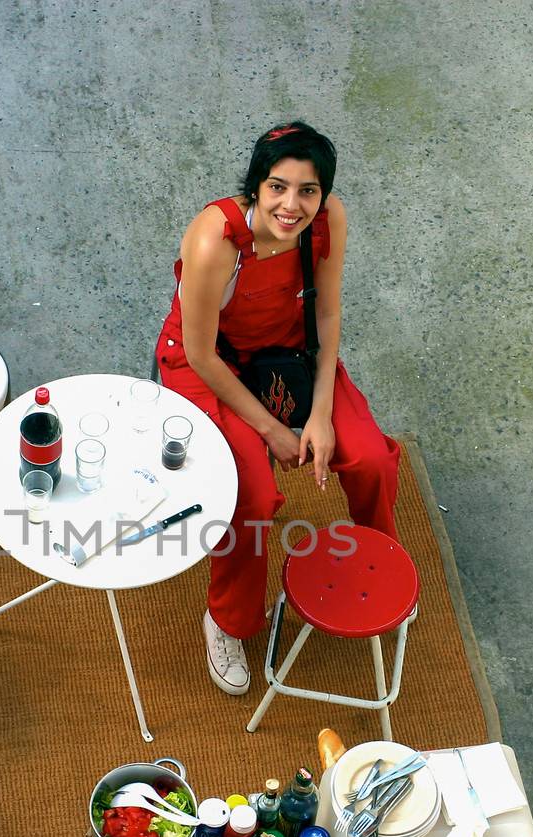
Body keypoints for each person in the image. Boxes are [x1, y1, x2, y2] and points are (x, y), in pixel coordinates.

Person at [154, 120, 402, 696]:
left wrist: (318, 414)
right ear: (255, 187)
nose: (292, 205)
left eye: (308, 191)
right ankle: (228, 620)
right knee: (253, 496)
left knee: (369, 458)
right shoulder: (214, 238)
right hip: (208, 366)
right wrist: (271, 430)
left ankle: (380, 562)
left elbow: (328, 317)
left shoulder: (327, 223)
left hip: (288, 353)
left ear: (324, 193)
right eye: (277, 187)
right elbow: (199, 351)